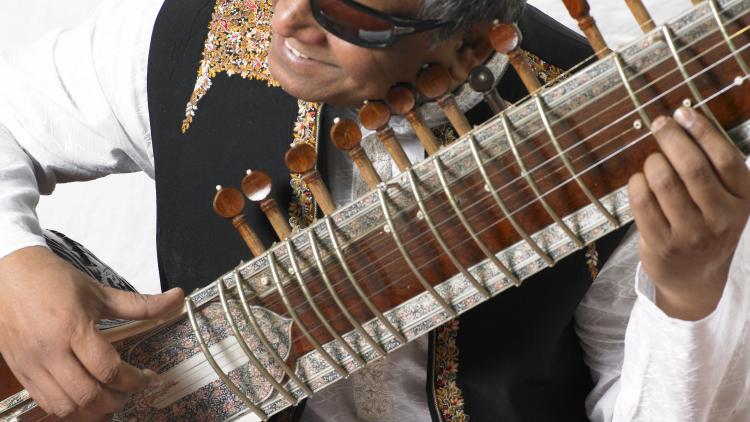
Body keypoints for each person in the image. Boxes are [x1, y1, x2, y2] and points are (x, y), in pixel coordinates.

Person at [0, 0, 749, 421]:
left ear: (468, 40)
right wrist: (12, 261)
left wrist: (690, 297)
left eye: (345, 13)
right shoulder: (207, 34)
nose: (285, 19)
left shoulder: (615, 143)